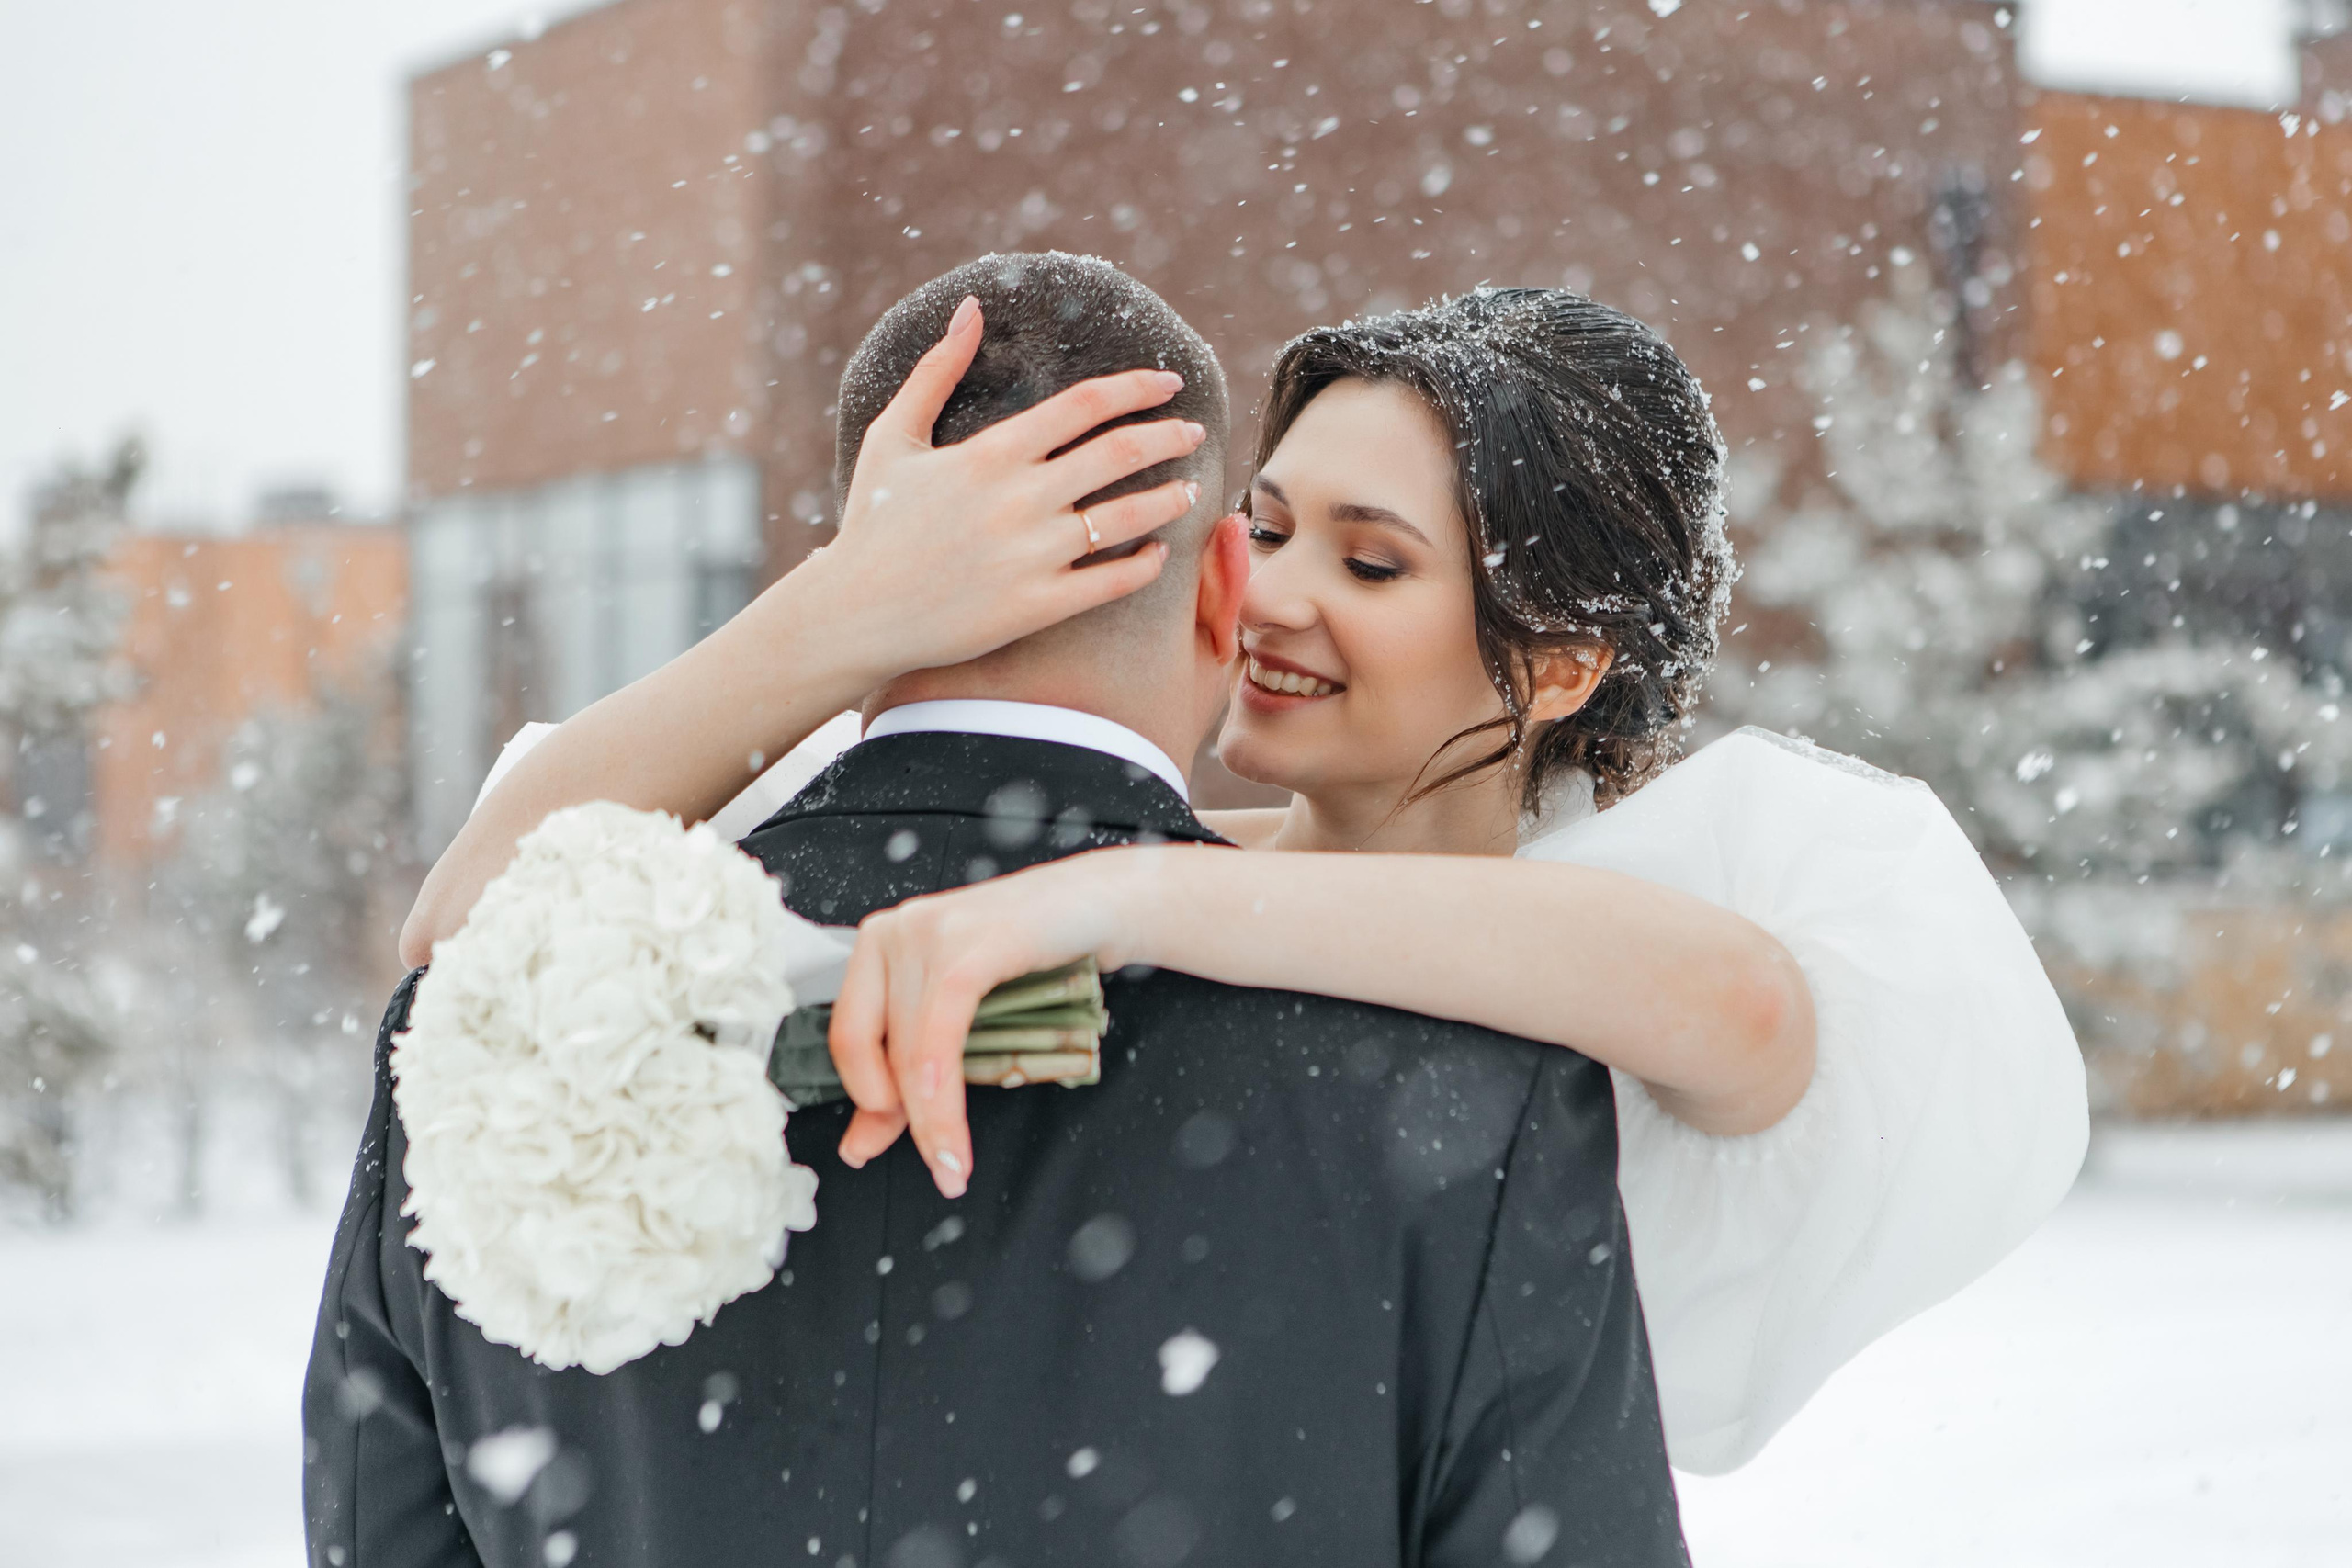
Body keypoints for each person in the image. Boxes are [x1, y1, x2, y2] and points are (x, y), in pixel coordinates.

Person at [435, 265, 2089, 1477]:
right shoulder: (1062, 857)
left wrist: (1124, 897)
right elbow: (461, 936)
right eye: (1271, 525)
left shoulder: (1624, 937)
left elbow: (1739, 1003)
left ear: (1563, 667)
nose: (1271, 596)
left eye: (1371, 561)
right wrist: (851, 608)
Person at [310, 252, 1690, 1568]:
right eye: (1267, 535)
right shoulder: (1471, 1083)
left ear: (861, 560)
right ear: (1223, 581)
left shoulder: (485, 1030)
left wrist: (842, 608)